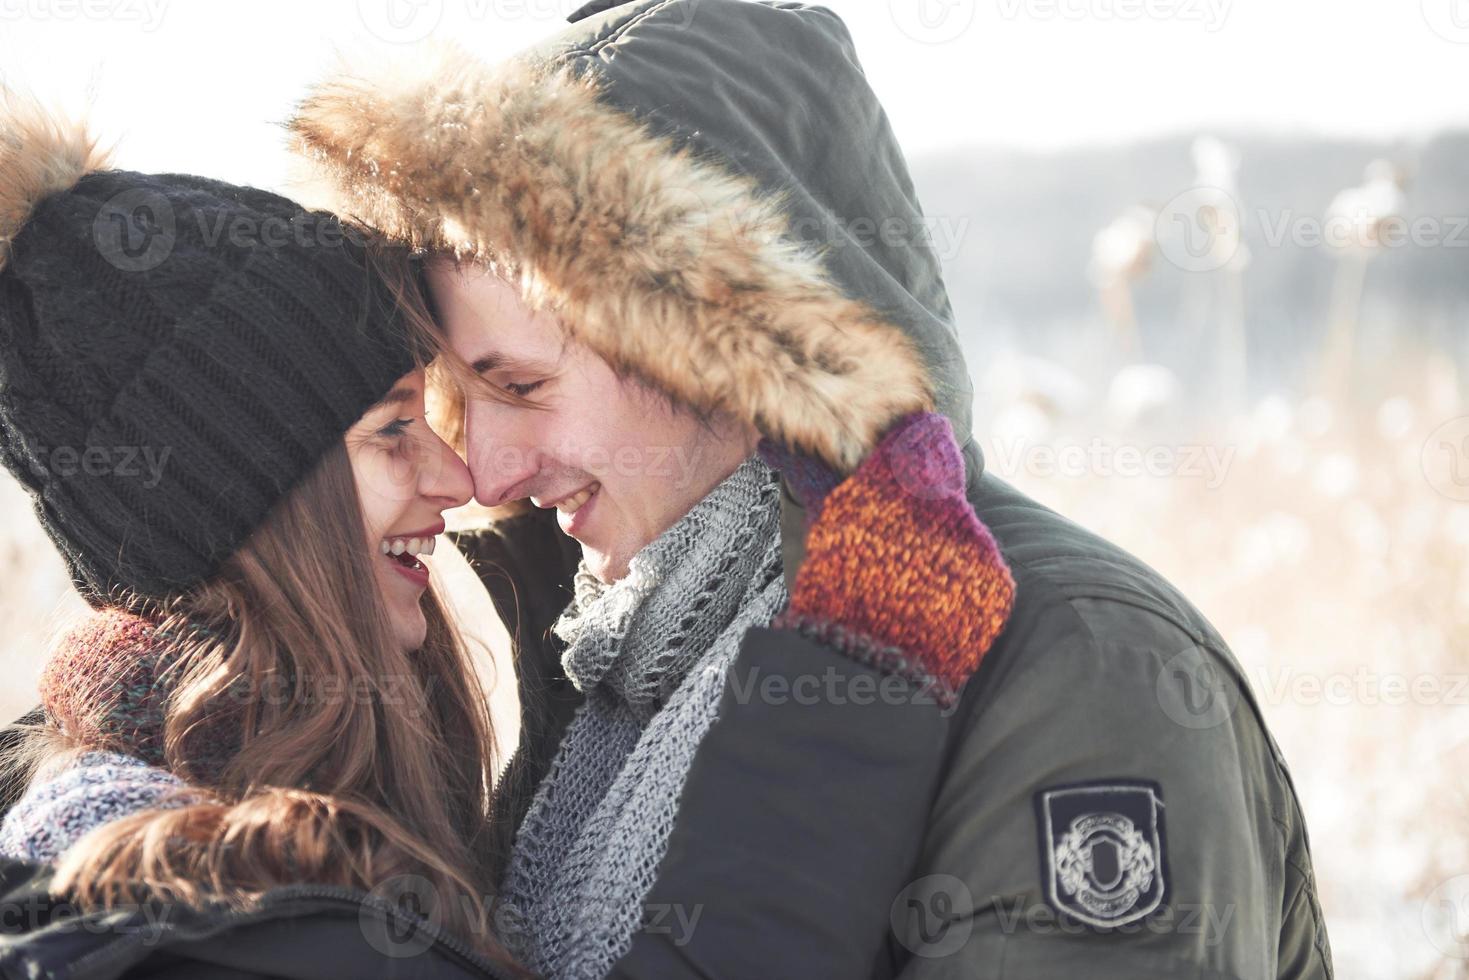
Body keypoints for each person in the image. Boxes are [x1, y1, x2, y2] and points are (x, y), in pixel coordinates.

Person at [286, 1, 1335, 977]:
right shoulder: (609, 660)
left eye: (521, 385)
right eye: (461, 401)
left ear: (726, 350)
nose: (489, 470)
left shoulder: (1081, 670)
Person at [0, 99, 1015, 978]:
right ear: (248, 507)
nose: (464, 478)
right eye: (393, 429)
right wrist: (866, 659)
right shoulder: (250, 928)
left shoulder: (107, 816)